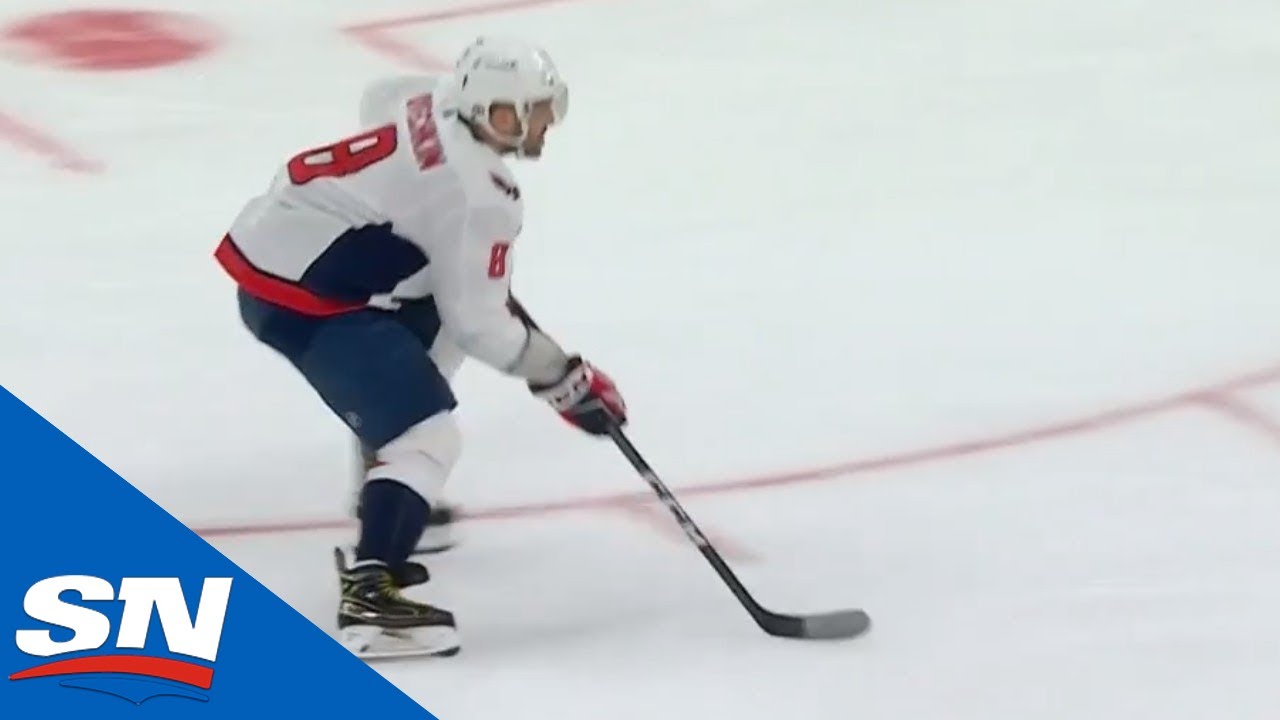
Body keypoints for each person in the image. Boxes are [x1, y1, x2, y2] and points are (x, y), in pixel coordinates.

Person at [213, 36, 627, 659]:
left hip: (285, 253)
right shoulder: (481, 195)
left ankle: (390, 492)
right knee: (429, 435)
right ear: (491, 113)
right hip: (304, 299)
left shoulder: (425, 101)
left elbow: (379, 98)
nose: (544, 124)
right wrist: (564, 378)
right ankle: (372, 594)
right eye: (529, 112)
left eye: (548, 108)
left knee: (428, 330)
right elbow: (481, 324)